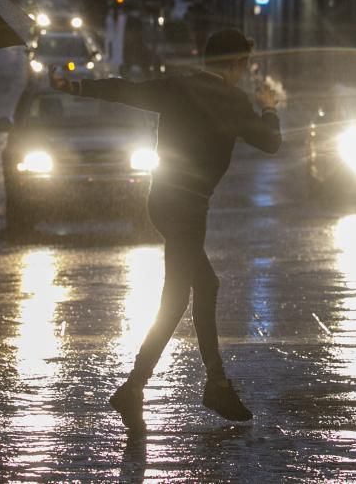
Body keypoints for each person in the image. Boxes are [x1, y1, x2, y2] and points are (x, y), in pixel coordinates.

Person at [50, 28, 282, 432]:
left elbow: (125, 90)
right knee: (200, 288)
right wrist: (270, 106)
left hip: (163, 202)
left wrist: (75, 85)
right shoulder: (234, 100)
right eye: (243, 64)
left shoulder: (180, 88)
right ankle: (212, 384)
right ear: (233, 64)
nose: (245, 71)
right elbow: (271, 142)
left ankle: (138, 388)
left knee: (185, 294)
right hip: (188, 207)